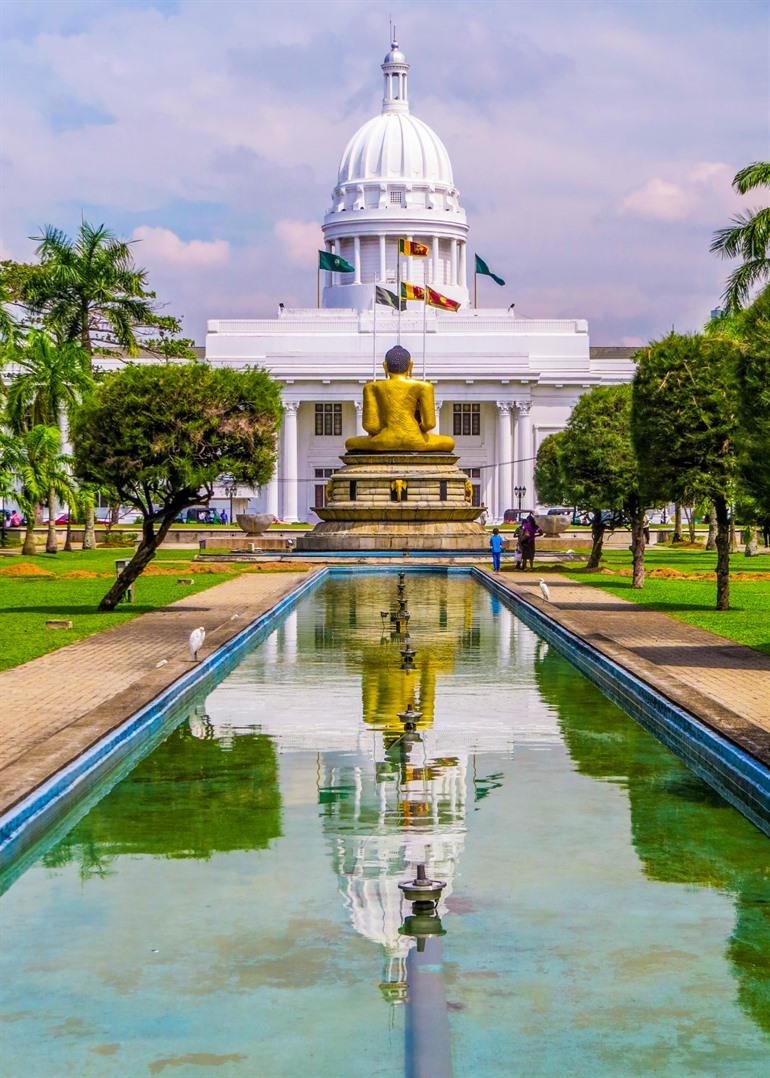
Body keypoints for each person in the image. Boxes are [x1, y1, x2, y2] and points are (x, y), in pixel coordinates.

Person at [345, 345, 455, 453]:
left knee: (350, 443)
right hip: (415, 440)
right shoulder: (424, 387)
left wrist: (385, 430)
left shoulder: (371, 387)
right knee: (449, 442)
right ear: (411, 365)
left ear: (385, 366)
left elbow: (370, 426)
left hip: (383, 441)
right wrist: (418, 429)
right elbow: (429, 424)